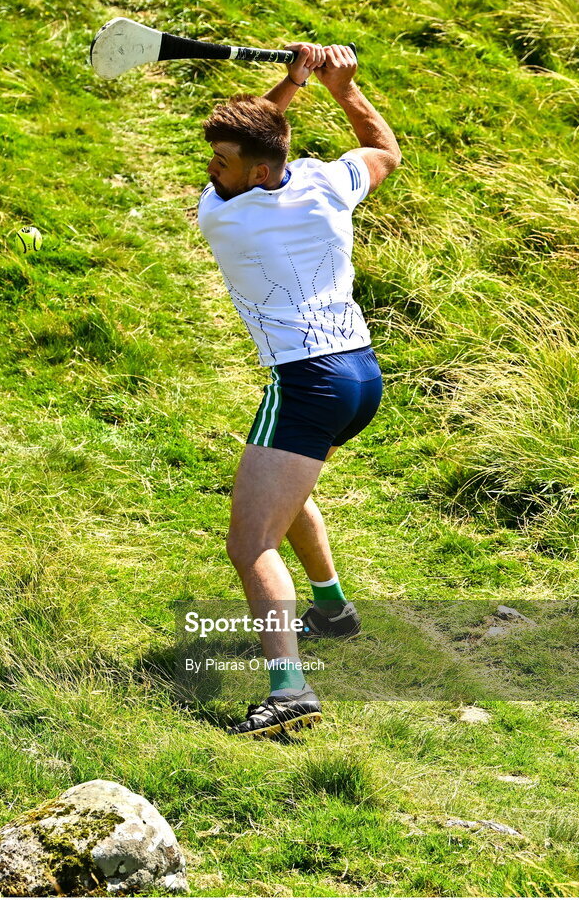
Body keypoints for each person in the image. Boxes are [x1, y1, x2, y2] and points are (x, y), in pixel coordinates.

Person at [196, 42, 401, 737]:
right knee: (290, 490)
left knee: (250, 542)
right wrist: (339, 88)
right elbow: (382, 150)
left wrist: (290, 86)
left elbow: (255, 150)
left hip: (307, 380)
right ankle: (332, 610)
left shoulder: (226, 213)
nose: (209, 170)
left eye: (219, 161)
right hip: (360, 375)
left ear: (251, 172)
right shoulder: (326, 182)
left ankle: (289, 689)